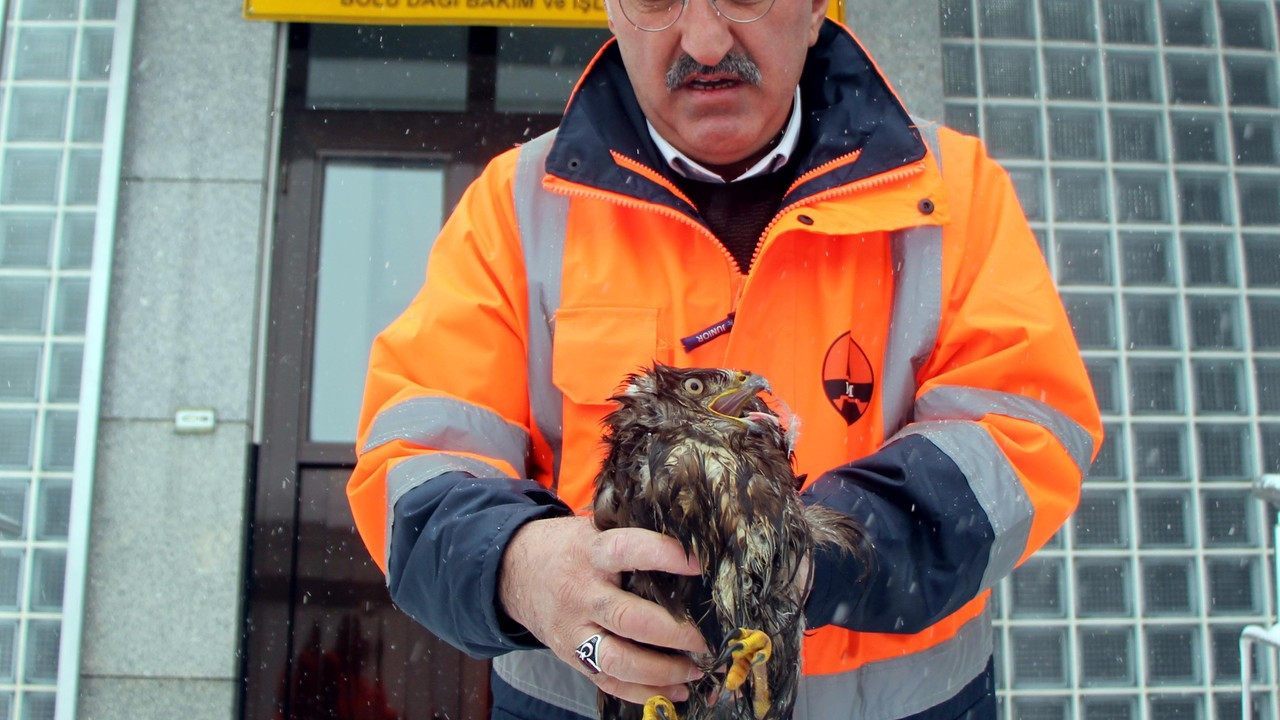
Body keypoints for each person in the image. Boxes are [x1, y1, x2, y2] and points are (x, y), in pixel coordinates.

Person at [346, 0, 1104, 715]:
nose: (704, 41)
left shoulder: (952, 191)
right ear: (611, 11)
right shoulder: (513, 207)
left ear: (815, 8)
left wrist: (815, 556)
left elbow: (1023, 430)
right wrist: (520, 568)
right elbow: (413, 463)